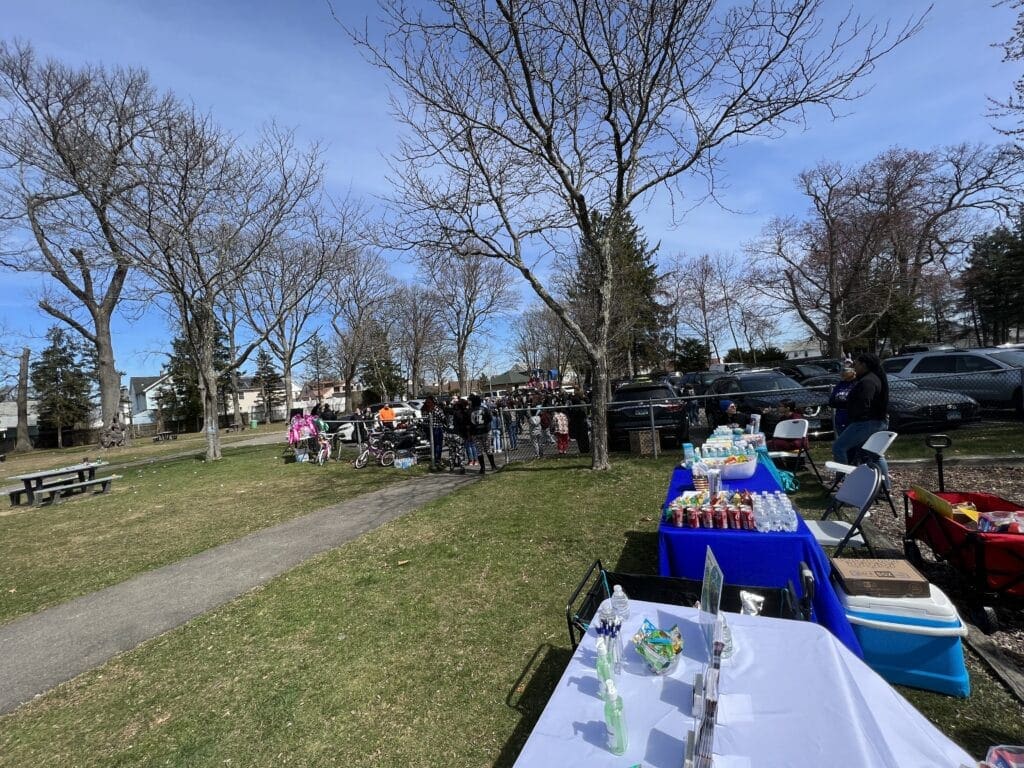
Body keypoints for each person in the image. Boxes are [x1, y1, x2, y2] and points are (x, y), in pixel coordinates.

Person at [831, 352, 890, 483]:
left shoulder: (867, 381)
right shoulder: (874, 378)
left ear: (864, 365)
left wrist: (850, 410)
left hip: (866, 423)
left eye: (856, 364)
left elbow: (863, 403)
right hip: (876, 421)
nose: (854, 367)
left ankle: (846, 482)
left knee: (839, 447)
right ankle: (885, 488)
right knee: (874, 454)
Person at [467, 394, 497, 474]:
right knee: (488, 449)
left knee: (479, 451)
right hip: (486, 431)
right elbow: (490, 419)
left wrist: (470, 432)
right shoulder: (484, 409)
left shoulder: (470, 411)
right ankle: (493, 465)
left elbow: (468, 423)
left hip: (475, 433)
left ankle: (482, 468)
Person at [829, 364, 858, 435]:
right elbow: (832, 402)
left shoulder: (857, 383)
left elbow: (857, 401)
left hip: (853, 418)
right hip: (840, 418)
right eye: (843, 373)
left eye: (846, 371)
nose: (843, 374)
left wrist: (844, 403)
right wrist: (844, 403)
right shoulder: (840, 385)